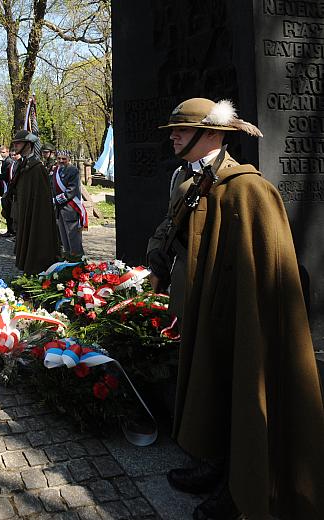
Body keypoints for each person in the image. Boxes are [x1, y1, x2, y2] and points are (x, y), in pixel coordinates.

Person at [150, 98, 324, 520]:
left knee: (237, 391)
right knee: (210, 384)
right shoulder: (191, 180)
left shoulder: (249, 189)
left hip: (234, 316)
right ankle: (212, 464)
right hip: (200, 309)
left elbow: (268, 267)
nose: (172, 135)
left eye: (180, 128)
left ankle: (240, 488)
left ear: (211, 134)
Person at [9, 131, 60, 275]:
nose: (15, 145)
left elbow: (42, 200)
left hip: (35, 215)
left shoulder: (37, 168)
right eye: (15, 142)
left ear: (28, 144)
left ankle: (36, 269)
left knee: (35, 243)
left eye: (18, 142)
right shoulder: (23, 165)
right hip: (23, 212)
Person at [51, 152, 85, 257]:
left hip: (70, 207)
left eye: (64, 159)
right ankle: (68, 259)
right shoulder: (56, 170)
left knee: (73, 236)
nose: (61, 161)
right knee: (64, 236)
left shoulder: (73, 170)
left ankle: (77, 260)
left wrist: (55, 200)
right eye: (59, 158)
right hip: (60, 209)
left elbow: (71, 191)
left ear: (69, 159)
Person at [0, 147, 18, 237]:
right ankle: (10, 230)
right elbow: (6, 175)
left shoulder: (17, 164)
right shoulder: (11, 164)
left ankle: (14, 231)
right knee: (7, 210)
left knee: (13, 213)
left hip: (14, 192)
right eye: (12, 155)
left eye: (15, 155)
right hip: (8, 191)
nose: (13, 157)